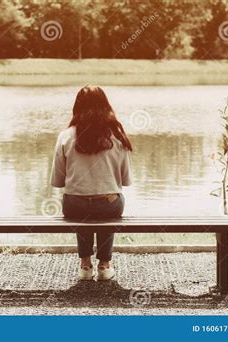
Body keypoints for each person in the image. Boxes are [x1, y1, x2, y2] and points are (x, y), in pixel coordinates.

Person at [50, 86, 133, 281]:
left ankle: (85, 265)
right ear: (106, 106)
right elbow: (126, 180)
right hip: (109, 204)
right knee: (108, 202)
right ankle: (104, 265)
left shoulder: (65, 136)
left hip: (75, 205)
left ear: (76, 107)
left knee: (81, 204)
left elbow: (58, 181)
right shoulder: (118, 137)